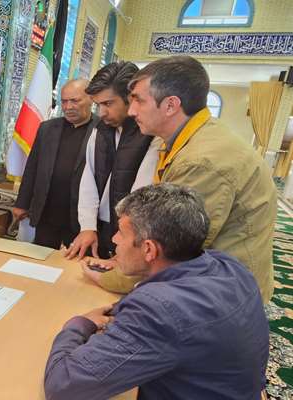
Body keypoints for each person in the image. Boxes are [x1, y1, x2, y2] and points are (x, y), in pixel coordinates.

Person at [45, 184, 269, 400]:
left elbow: (63, 387)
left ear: (149, 249)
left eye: (121, 233)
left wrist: (79, 324)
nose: (114, 240)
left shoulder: (160, 311)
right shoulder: (228, 266)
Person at [86, 55, 276, 303]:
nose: (131, 111)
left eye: (139, 101)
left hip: (223, 295)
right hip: (211, 284)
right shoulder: (189, 140)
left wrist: (110, 278)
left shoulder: (202, 161)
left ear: (170, 105)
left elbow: (172, 246)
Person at [65, 61, 160, 260]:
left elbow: (142, 194)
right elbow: (89, 179)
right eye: (98, 105)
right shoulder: (99, 130)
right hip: (98, 228)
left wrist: (129, 238)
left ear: (131, 99)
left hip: (131, 234)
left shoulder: (150, 135)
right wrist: (88, 227)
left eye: (108, 104)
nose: (101, 113)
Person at [12, 79, 99, 249]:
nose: (68, 107)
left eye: (74, 101)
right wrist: (22, 203)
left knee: (76, 260)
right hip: (47, 212)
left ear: (91, 99)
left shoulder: (102, 130)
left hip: (81, 218)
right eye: (64, 101)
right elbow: (32, 168)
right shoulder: (47, 129)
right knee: (41, 257)